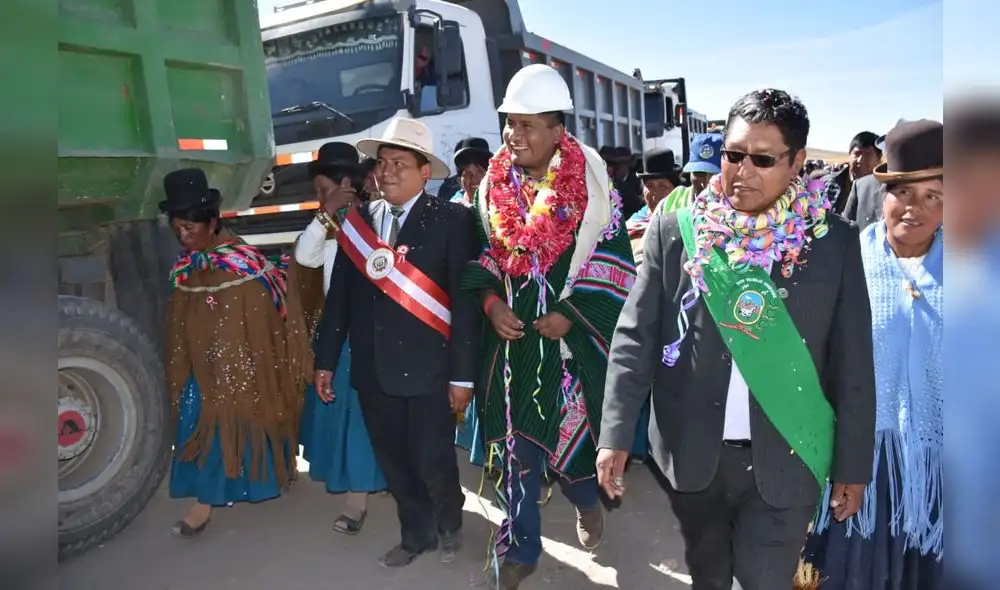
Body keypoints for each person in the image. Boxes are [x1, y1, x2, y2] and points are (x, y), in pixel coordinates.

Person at [598, 89, 876, 590]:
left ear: (797, 163)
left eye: (763, 159)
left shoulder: (833, 243)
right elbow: (636, 336)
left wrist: (852, 465)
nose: (742, 171)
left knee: (763, 580)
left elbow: (853, 363)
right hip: (694, 455)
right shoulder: (677, 230)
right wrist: (615, 433)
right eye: (733, 155)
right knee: (708, 574)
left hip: (788, 456)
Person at [461, 64, 636, 589]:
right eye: (510, 124)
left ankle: (586, 501)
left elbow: (616, 261)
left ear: (557, 131)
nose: (515, 136)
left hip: (566, 347)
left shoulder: (593, 184)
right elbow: (477, 258)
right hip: (511, 349)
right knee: (518, 454)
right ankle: (520, 551)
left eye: (528, 125)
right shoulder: (489, 189)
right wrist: (491, 303)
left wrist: (571, 313)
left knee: (573, 452)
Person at [312, 117, 480, 568]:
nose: (386, 172)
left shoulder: (454, 220)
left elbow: (465, 303)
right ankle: (415, 533)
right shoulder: (359, 223)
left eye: (399, 163)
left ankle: (449, 523)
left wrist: (463, 375)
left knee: (432, 458)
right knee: (394, 461)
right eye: (382, 163)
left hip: (430, 367)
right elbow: (340, 299)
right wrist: (325, 359)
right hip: (372, 368)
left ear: (425, 172)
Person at [801, 119, 944, 590]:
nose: (913, 209)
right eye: (902, 192)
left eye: (933, 195)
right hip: (863, 466)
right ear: (880, 194)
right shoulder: (846, 262)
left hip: (947, 471)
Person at [162, 168, 310, 538]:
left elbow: (270, 320)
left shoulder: (244, 264)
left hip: (245, 368)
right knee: (200, 421)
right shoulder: (185, 268)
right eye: (177, 228)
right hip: (200, 367)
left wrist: (247, 361)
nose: (183, 236)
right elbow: (179, 325)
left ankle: (212, 501)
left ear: (212, 222)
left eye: (189, 228)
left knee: (234, 418)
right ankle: (206, 500)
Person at [295, 142, 387, 536]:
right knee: (349, 420)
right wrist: (323, 214)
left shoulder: (374, 221)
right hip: (338, 336)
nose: (318, 198)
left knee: (370, 419)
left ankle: (366, 493)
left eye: (322, 190)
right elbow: (304, 258)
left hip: (374, 336)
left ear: (345, 183)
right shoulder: (331, 225)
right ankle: (358, 491)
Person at [658, 132, 724, 215]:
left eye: (715, 174)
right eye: (699, 173)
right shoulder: (673, 200)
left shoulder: (738, 206)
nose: (707, 182)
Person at [828, 131, 883, 215]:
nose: (860, 160)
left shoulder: (884, 190)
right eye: (857, 154)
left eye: (868, 154)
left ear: (878, 158)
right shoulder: (828, 184)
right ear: (849, 155)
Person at [449, 137, 492, 209]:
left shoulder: (503, 207)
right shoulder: (454, 210)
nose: (474, 179)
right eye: (467, 174)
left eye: (479, 172)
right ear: (460, 180)